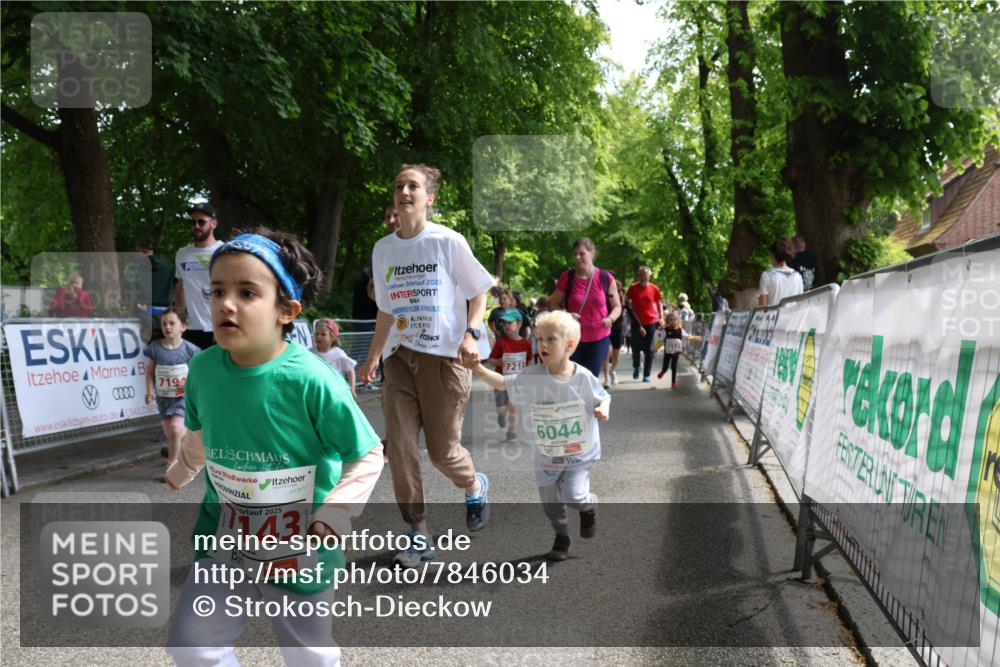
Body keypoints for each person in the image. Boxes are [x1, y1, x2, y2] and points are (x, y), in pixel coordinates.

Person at [164, 228, 384, 667]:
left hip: (299, 545)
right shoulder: (204, 368)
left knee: (309, 657)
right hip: (224, 539)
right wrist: (181, 470)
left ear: (287, 310)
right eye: (218, 291)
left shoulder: (312, 378)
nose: (227, 303)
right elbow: (200, 436)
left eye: (247, 292)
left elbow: (367, 453)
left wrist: (337, 511)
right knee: (192, 643)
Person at [359, 164, 494, 568]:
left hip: (444, 359)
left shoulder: (447, 241)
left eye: (413, 185)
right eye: (398, 184)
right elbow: (386, 309)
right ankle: (417, 532)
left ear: (428, 198)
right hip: (399, 359)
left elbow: (480, 292)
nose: (404, 191)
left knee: (442, 452)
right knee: (399, 449)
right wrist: (371, 357)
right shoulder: (383, 249)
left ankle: (473, 484)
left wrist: (471, 333)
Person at [472, 310, 610, 561]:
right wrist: (478, 369)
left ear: (568, 345)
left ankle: (587, 506)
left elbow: (604, 397)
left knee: (573, 495)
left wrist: (602, 409)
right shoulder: (533, 375)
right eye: (539, 339)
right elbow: (504, 383)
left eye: (550, 340)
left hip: (579, 453)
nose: (542, 345)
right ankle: (561, 537)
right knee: (550, 505)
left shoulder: (583, 377)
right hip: (546, 455)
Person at [548, 237, 622, 378]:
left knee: (590, 376)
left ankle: (589, 400)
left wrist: (610, 318)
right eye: (575, 254)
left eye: (581, 254)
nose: (577, 257)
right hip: (573, 336)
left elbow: (617, 307)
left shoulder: (605, 278)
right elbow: (553, 304)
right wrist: (566, 316)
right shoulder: (567, 278)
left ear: (592, 253)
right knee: (572, 376)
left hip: (599, 336)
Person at [143, 307, 200, 469]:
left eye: (172, 323)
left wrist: (188, 384)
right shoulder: (155, 348)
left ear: (183, 326)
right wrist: (149, 391)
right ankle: (182, 447)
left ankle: (172, 464)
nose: (167, 327)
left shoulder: (189, 349)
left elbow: (197, 372)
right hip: (164, 400)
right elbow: (149, 372)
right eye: (164, 324)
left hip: (183, 399)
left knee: (175, 430)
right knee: (172, 435)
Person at [174, 203, 224, 349]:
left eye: (201, 222)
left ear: (214, 223)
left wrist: (222, 324)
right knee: (193, 372)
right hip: (190, 329)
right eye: (193, 222)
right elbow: (180, 287)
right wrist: (179, 321)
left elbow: (230, 290)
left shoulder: (224, 251)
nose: (196, 226)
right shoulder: (182, 254)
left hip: (217, 328)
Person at [487, 308, 533, 441]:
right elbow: (490, 360)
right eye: (504, 323)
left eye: (509, 323)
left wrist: (529, 374)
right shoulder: (501, 342)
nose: (506, 325)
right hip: (501, 380)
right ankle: (501, 416)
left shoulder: (525, 343)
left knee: (514, 407)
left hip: (517, 381)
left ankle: (511, 431)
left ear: (518, 324)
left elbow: (530, 360)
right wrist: (499, 362)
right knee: (502, 409)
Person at [625, 266, 664, 382]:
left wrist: (661, 317)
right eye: (641, 275)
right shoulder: (633, 287)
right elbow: (626, 301)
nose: (643, 277)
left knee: (649, 350)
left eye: (645, 275)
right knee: (635, 349)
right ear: (638, 276)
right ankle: (637, 366)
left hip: (651, 322)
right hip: (636, 323)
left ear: (649, 276)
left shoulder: (654, 288)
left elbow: (659, 303)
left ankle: (647, 374)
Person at [312, 319, 357, 398]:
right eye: (316, 334)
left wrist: (352, 387)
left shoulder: (338, 354)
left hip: (336, 392)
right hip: (317, 391)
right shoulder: (311, 353)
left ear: (332, 337)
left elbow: (350, 370)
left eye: (323, 334)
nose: (318, 336)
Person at [759, 237, 804, 306]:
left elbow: (762, 308)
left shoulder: (766, 276)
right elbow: (800, 304)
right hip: (793, 316)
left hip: (774, 316)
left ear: (773, 255)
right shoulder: (797, 276)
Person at [602, 280, 628, 387]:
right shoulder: (603, 297)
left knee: (616, 354)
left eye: (618, 289)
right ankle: (606, 377)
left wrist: (640, 326)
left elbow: (631, 311)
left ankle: (612, 371)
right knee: (605, 353)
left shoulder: (623, 299)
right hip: (605, 327)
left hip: (618, 328)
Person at [657, 311, 684, 389]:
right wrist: (656, 348)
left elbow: (686, 336)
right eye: (671, 320)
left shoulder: (680, 330)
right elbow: (661, 340)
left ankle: (673, 382)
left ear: (678, 321)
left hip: (676, 352)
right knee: (665, 366)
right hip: (667, 352)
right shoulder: (666, 330)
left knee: (674, 367)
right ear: (668, 321)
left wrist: (695, 338)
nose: (673, 321)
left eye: (675, 320)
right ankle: (663, 371)